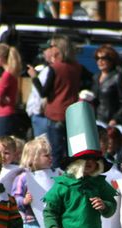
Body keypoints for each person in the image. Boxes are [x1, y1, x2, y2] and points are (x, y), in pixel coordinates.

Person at [30, 36, 82, 168]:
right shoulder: (76, 67)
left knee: (56, 152)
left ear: (58, 49)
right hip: (71, 114)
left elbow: (44, 92)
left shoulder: (55, 68)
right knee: (70, 151)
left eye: (52, 46)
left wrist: (34, 77)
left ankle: (57, 181)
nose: (50, 49)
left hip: (55, 114)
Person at [90, 45, 122, 127]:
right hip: (96, 120)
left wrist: (116, 119)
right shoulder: (96, 77)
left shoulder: (117, 77)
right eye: (97, 58)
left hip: (110, 122)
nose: (100, 61)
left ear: (111, 60)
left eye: (103, 58)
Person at [0, 44, 22, 137]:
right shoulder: (13, 73)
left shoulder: (6, 75)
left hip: (4, 113)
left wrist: (2, 99)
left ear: (0, 57)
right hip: (10, 112)